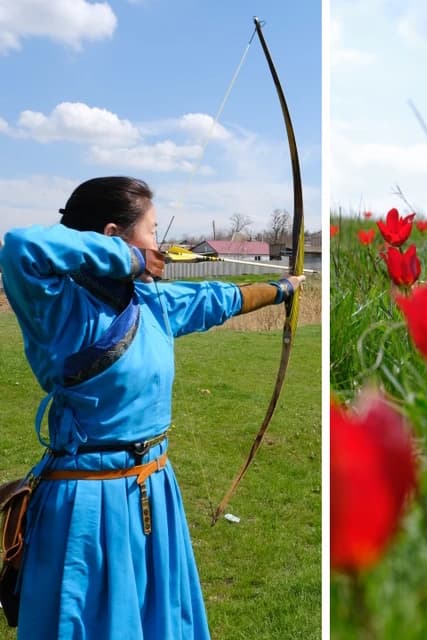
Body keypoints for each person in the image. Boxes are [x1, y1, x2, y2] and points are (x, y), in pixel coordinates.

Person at [0, 177, 305, 639]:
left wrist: (282, 287)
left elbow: (216, 299)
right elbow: (22, 247)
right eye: (153, 231)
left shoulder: (151, 302)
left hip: (154, 489)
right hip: (88, 502)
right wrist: (130, 257)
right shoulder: (61, 308)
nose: (159, 244)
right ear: (112, 236)